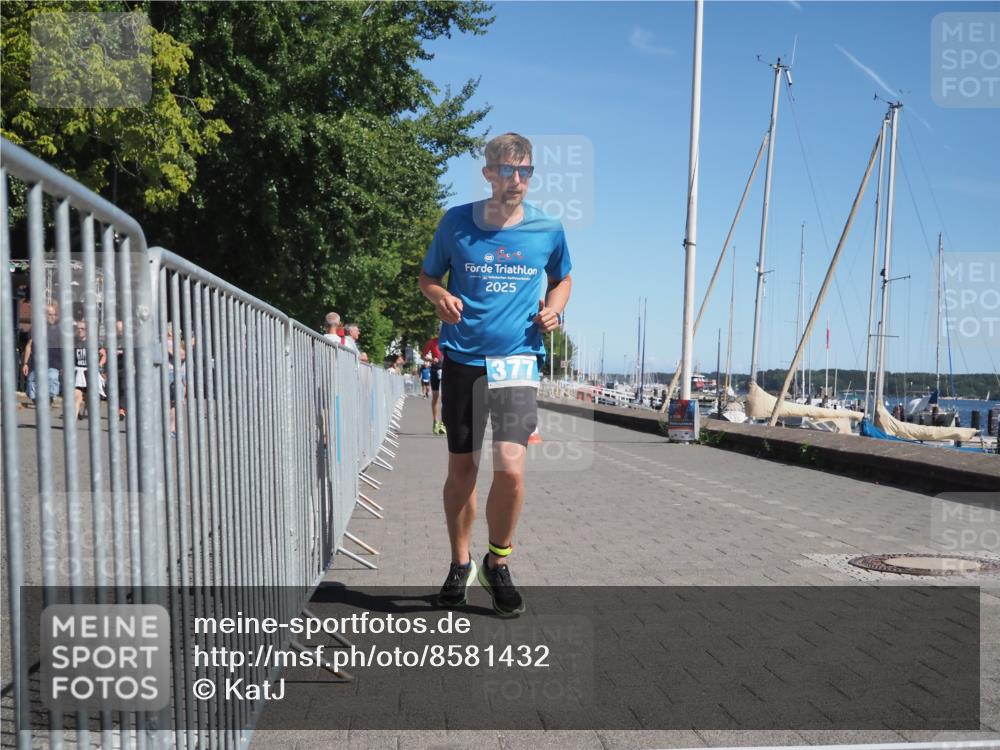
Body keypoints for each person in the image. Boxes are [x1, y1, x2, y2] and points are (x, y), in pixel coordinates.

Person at [418, 132, 572, 616]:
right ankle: (459, 563)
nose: (517, 181)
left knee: (510, 470)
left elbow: (563, 277)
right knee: (462, 470)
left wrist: (554, 309)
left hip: (517, 360)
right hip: (463, 357)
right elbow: (428, 277)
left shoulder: (548, 228)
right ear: (488, 174)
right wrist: (439, 297)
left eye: (525, 171)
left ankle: (497, 561)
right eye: (507, 171)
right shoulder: (456, 223)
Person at [22, 303, 62, 405]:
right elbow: (29, 345)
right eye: (50, 314)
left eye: (54, 314)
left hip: (53, 363)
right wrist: (25, 363)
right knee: (31, 385)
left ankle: (49, 399)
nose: (53, 317)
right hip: (37, 363)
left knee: (52, 381)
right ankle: (37, 401)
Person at [421, 335, 444, 433]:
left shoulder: (450, 340)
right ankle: (435, 421)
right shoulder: (432, 342)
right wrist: (431, 360)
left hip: (447, 370)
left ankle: (443, 423)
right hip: (435, 369)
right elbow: (423, 355)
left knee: (446, 397)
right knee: (435, 396)